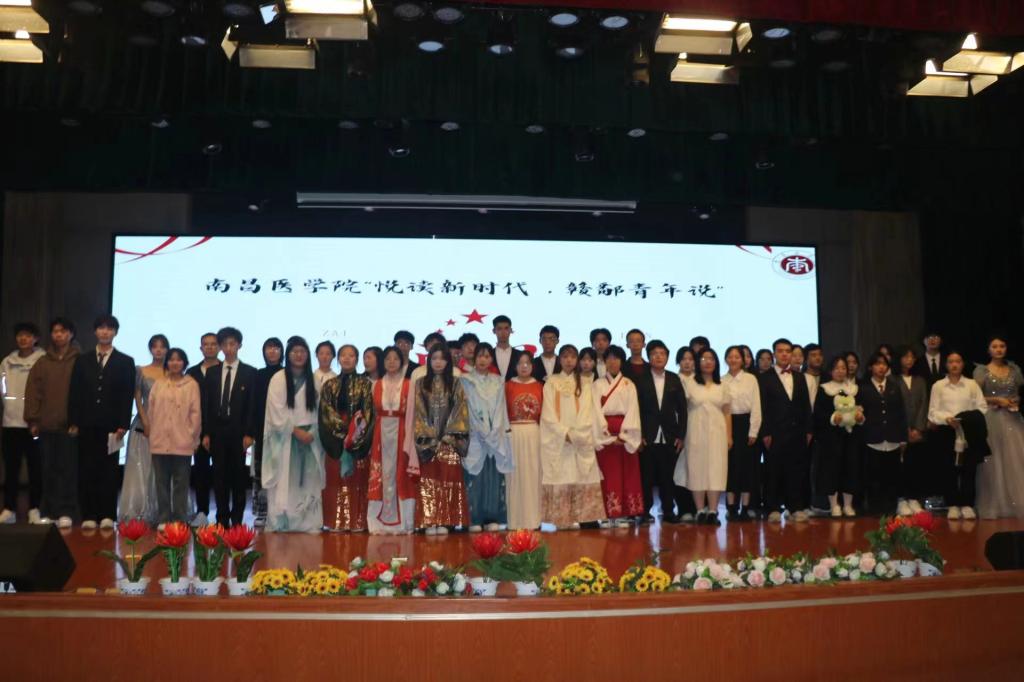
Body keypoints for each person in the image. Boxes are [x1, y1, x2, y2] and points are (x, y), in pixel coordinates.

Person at [68, 315, 136, 530]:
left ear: (115, 332)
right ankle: (88, 514)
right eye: (101, 328)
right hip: (86, 424)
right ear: (95, 332)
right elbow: (75, 392)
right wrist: (74, 420)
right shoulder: (83, 360)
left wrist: (123, 424)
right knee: (87, 469)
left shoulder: (125, 361)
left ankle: (107, 514)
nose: (105, 332)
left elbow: (127, 395)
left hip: (112, 426)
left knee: (109, 470)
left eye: (109, 329)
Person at [539, 344, 606, 529]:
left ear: (576, 360)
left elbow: (588, 411)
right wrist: (564, 432)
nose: (569, 360)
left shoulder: (585, 383)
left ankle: (586, 517)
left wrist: (576, 434)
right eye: (565, 357)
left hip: (580, 437)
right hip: (558, 438)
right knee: (562, 474)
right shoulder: (551, 382)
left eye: (572, 357)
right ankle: (563, 518)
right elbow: (548, 412)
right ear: (559, 359)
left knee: (582, 474)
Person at [262, 336, 324, 533]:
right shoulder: (278, 379)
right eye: (294, 351)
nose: (299, 355)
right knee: (284, 482)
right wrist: (295, 431)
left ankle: (308, 523)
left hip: (310, 439)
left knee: (307, 482)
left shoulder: (314, 380)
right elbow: (275, 412)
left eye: (302, 351)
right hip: (286, 439)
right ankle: (282, 521)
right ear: (288, 355)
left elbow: (321, 412)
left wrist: (312, 432)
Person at [24, 318, 80, 528]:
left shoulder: (79, 361)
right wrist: (33, 419)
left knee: (68, 471)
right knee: (47, 470)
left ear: (71, 334)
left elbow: (84, 394)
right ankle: (48, 510)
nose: (59, 335)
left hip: (69, 427)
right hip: (46, 425)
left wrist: (77, 421)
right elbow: (33, 392)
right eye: (55, 331)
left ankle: (66, 511)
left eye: (63, 331)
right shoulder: (42, 362)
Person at [200, 327, 257, 528]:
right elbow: (206, 405)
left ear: (239, 345)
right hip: (217, 432)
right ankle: (222, 519)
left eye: (232, 344)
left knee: (238, 478)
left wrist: (249, 433)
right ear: (220, 347)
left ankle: (237, 519)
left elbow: (252, 405)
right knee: (219, 477)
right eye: (225, 344)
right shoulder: (212, 372)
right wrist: (206, 433)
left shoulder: (250, 372)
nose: (229, 348)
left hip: (239, 433)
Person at [414, 344, 470, 535]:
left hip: (450, 440)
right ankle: (429, 520)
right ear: (429, 360)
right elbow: (419, 413)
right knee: (429, 480)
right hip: (428, 443)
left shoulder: (456, 383)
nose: (438, 362)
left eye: (442, 358)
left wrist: (448, 436)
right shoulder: (420, 383)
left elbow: (460, 411)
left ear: (448, 361)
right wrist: (430, 438)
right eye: (434, 358)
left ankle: (448, 521)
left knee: (449, 478)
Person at [318, 344, 374, 532]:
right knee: (335, 480)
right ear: (338, 359)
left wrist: (355, 434)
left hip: (358, 439)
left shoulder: (365, 384)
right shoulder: (329, 385)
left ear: (357, 359)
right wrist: (344, 432)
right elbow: (326, 412)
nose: (347, 358)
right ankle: (336, 521)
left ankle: (358, 521)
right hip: (335, 439)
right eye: (343, 355)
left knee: (357, 480)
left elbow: (368, 412)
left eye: (351, 355)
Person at [757, 338, 813, 523]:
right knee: (773, 471)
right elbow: (762, 407)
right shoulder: (764, 378)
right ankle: (772, 508)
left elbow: (805, 406)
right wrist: (765, 432)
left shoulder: (799, 377)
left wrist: (808, 430)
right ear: (774, 354)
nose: (784, 354)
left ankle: (795, 507)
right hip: (774, 433)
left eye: (788, 351)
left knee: (796, 471)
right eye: (780, 351)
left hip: (797, 432)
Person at [928, 351, 988, 520]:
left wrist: (965, 419)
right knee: (948, 468)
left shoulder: (971, 384)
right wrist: (947, 419)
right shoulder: (938, 385)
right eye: (951, 361)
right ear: (946, 364)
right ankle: (952, 504)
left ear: (963, 364)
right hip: (947, 430)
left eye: (958, 361)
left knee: (969, 468)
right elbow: (932, 412)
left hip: (968, 431)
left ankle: (967, 504)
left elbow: (982, 407)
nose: (954, 365)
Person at [462, 343, 513, 531]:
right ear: (474, 358)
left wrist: (494, 430)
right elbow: (466, 409)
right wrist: (479, 429)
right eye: (480, 356)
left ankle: (493, 517)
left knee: (493, 477)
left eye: (487, 356)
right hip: (475, 435)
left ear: (491, 359)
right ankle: (474, 519)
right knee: (475, 478)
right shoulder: (465, 380)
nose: (483, 360)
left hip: (494, 436)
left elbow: (501, 408)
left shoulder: (498, 381)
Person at [635, 340, 688, 524]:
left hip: (669, 435)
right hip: (647, 435)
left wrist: (681, 436)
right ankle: (645, 511)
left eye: (662, 354)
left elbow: (682, 410)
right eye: (654, 354)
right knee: (647, 477)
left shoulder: (674, 379)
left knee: (668, 477)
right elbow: (636, 409)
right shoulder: (641, 379)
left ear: (667, 357)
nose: (658, 357)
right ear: (649, 357)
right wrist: (638, 435)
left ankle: (668, 510)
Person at [148, 348, 202, 526]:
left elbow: (195, 414)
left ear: (184, 363)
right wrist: (153, 432)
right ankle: (163, 518)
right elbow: (151, 411)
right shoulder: (159, 384)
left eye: (179, 360)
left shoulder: (191, 384)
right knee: (161, 483)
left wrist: (191, 436)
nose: (175, 363)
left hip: (182, 442)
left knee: (181, 484)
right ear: (167, 363)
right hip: (159, 441)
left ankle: (179, 519)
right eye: (171, 360)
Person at [367, 346, 417, 534]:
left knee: (401, 474)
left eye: (395, 358)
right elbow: (372, 414)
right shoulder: (376, 384)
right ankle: (377, 523)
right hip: (380, 433)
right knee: (381, 472)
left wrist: (410, 438)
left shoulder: (409, 384)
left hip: (402, 430)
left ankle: (404, 523)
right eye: (388, 359)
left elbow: (412, 414)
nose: (392, 362)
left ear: (401, 361)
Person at [118, 333, 167, 524]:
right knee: (140, 468)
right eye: (155, 346)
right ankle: (139, 509)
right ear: (150, 349)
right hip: (142, 424)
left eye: (162, 346)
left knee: (162, 470)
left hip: (167, 425)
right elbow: (137, 398)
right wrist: (146, 422)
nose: (158, 350)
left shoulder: (172, 371)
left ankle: (162, 511)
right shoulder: (141, 370)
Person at [974, 336, 1024, 519]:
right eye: (994, 346)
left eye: (1002, 346)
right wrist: (996, 400)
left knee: (1015, 459)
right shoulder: (982, 371)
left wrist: (1014, 401)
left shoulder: (1014, 370)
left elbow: (1018, 393)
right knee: (994, 461)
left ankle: (1016, 502)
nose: (999, 349)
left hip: (1012, 418)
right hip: (992, 419)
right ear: (988, 350)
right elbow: (976, 396)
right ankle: (996, 503)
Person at [593, 345, 643, 527]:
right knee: (608, 475)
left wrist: (625, 435)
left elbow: (633, 411)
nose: (612, 362)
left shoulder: (629, 384)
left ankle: (624, 514)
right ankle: (607, 514)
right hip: (605, 433)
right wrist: (605, 433)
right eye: (609, 358)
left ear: (622, 361)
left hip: (624, 433)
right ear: (604, 361)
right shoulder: (597, 385)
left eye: (616, 358)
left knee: (626, 475)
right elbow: (594, 411)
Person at [0, 323, 45, 524]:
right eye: (20, 335)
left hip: (34, 425)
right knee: (11, 469)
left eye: (28, 335)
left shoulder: (42, 360)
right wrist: (10, 407)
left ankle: (35, 508)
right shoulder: (7, 362)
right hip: (11, 423)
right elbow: (3, 389)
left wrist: (37, 417)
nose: (23, 339)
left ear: (36, 338)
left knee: (36, 468)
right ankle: (9, 509)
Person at [683, 349, 730, 525]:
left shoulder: (722, 385)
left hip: (718, 432)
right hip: (695, 430)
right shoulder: (690, 383)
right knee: (697, 469)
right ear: (697, 362)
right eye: (703, 358)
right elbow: (683, 409)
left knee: (716, 469)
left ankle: (713, 510)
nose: (707, 362)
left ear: (716, 362)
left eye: (711, 358)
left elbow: (727, 412)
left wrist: (729, 435)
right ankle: (700, 510)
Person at [813, 356, 864, 517]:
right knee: (831, 470)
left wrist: (860, 417)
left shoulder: (854, 389)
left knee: (851, 468)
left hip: (851, 436)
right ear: (830, 371)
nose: (840, 371)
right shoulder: (824, 389)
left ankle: (848, 505)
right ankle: (834, 505)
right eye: (837, 368)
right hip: (831, 437)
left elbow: (861, 409)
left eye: (843, 368)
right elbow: (818, 413)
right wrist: (832, 418)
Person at [858, 353, 908, 514]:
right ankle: (875, 508)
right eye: (877, 364)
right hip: (872, 439)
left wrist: (903, 438)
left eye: (884, 364)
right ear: (870, 367)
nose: (881, 367)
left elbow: (901, 413)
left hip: (893, 439)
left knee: (891, 476)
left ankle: (891, 507)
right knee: (873, 476)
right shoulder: (863, 388)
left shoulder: (894, 387)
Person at [722, 345, 762, 521]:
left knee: (747, 468)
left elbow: (756, 406)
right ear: (725, 359)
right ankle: (731, 508)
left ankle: (745, 508)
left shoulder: (751, 379)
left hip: (747, 424)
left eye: (737, 357)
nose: (733, 360)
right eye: (730, 357)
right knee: (730, 468)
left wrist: (753, 431)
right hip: (728, 425)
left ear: (743, 360)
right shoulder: (721, 380)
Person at [505, 350, 544, 530]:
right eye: (520, 363)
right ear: (515, 366)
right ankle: (515, 521)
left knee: (533, 475)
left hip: (534, 434)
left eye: (527, 363)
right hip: (513, 434)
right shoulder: (508, 386)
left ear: (532, 366)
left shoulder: (540, 386)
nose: (524, 366)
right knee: (514, 477)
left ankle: (533, 520)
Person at [187, 333, 221, 527]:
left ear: (219, 347)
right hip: (197, 430)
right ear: (201, 348)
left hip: (221, 430)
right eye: (205, 344)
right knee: (200, 473)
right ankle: (202, 512)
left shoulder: (226, 369)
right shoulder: (192, 372)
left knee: (222, 474)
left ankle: (223, 514)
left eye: (213, 344)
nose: (209, 347)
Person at [248, 337, 283, 528]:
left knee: (282, 471)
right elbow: (252, 404)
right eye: (269, 348)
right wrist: (252, 430)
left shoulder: (287, 374)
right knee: (262, 472)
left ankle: (280, 511)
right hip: (262, 431)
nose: (272, 351)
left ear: (282, 352)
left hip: (283, 431)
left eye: (276, 348)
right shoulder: (258, 374)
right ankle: (262, 512)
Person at [895, 345, 930, 516]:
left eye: (912, 357)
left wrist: (918, 428)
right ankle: (901, 499)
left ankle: (914, 498)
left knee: (916, 465)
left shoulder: (920, 380)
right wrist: (905, 429)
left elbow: (924, 404)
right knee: (900, 466)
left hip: (917, 432)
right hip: (899, 432)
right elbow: (894, 407)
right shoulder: (892, 380)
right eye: (905, 357)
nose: (909, 360)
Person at [491, 315, 522, 381]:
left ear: (511, 330)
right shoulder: (489, 355)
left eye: (506, 328)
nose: (503, 332)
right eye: (499, 329)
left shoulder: (520, 355)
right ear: (494, 331)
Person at [803, 343, 824, 408]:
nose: (818, 358)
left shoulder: (828, 378)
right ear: (806, 358)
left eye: (820, 355)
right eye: (813, 355)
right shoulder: (800, 378)